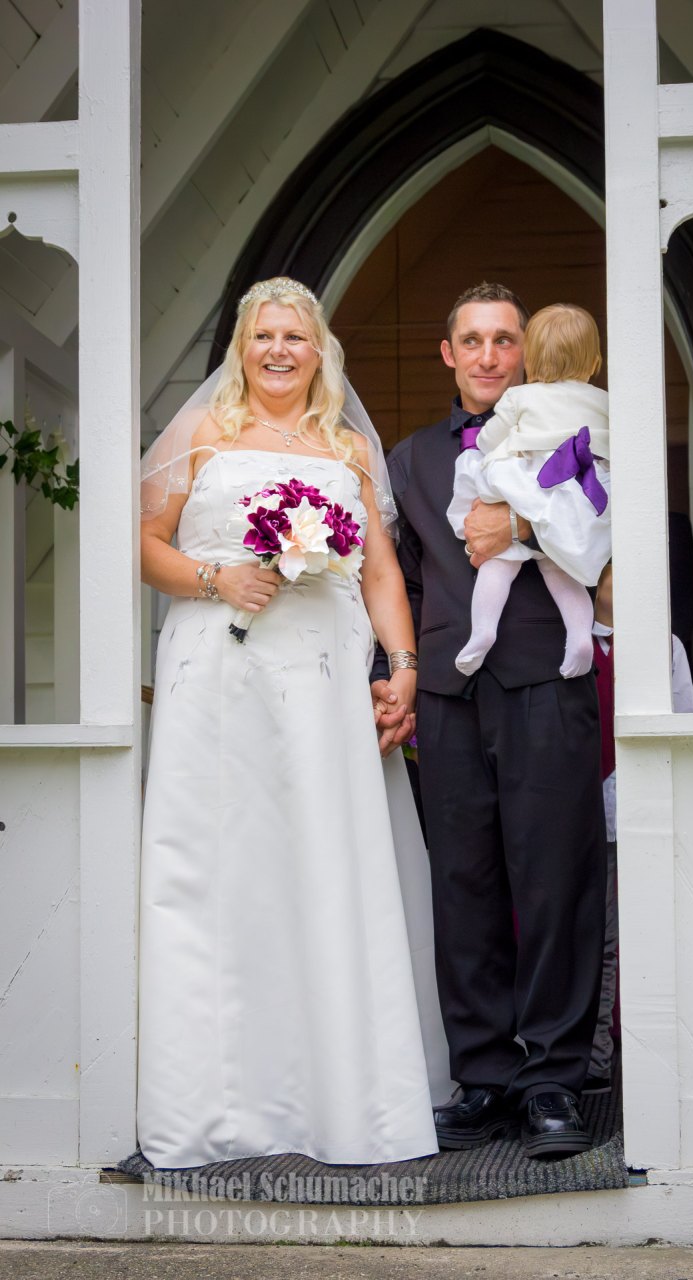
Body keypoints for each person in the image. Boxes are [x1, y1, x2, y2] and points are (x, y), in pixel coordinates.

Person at [137, 276, 449, 1169]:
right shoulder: (203, 432)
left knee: (324, 859)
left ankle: (345, 1094)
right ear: (242, 347)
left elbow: (379, 571)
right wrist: (216, 578)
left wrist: (403, 667)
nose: (278, 350)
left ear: (320, 352)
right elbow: (142, 543)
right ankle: (216, 1103)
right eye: (263, 335)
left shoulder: (346, 447)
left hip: (322, 677)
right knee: (224, 865)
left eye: (295, 337)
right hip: (220, 672)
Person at [372, 283, 609, 1158]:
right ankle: (482, 1076)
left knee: (554, 882)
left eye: (503, 339)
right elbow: (396, 579)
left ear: (526, 352)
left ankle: (552, 1080)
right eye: (470, 340)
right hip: (447, 694)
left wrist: (525, 527)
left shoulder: (577, 430)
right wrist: (392, 676)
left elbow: (610, 535)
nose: (487, 355)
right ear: (447, 353)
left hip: (548, 679)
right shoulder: (409, 459)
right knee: (462, 886)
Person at [447, 304, 610, 679]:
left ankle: (483, 631)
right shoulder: (605, 402)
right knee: (564, 569)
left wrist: (484, 446)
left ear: (529, 359)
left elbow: (488, 438)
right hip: (576, 496)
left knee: (498, 563)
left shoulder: (519, 397)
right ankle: (580, 636)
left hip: (528, 488)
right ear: (595, 361)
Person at [587, 561, 693, 1093]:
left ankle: (662, 1055)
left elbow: (685, 722)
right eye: (609, 568)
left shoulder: (664, 646)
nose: (619, 577)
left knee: (654, 932)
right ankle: (595, 1058)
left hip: (643, 807)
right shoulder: (571, 638)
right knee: (597, 939)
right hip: (583, 810)